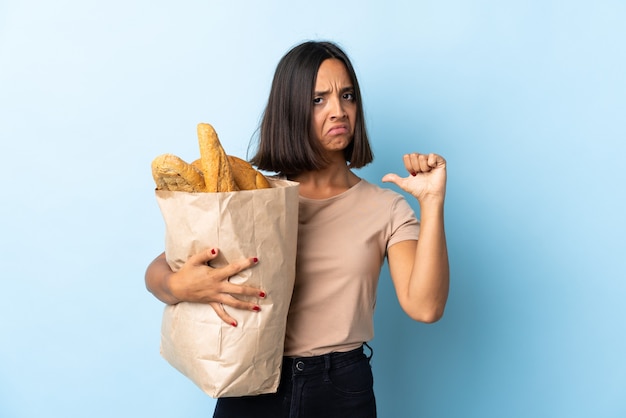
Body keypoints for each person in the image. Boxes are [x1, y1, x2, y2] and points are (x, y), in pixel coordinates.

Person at [145, 40, 449, 418]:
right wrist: (179, 286)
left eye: (347, 95)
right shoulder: (256, 197)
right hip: (250, 381)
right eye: (318, 99)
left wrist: (432, 202)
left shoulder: (385, 207)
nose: (338, 111)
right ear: (291, 110)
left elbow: (425, 307)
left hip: (340, 388)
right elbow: (159, 270)